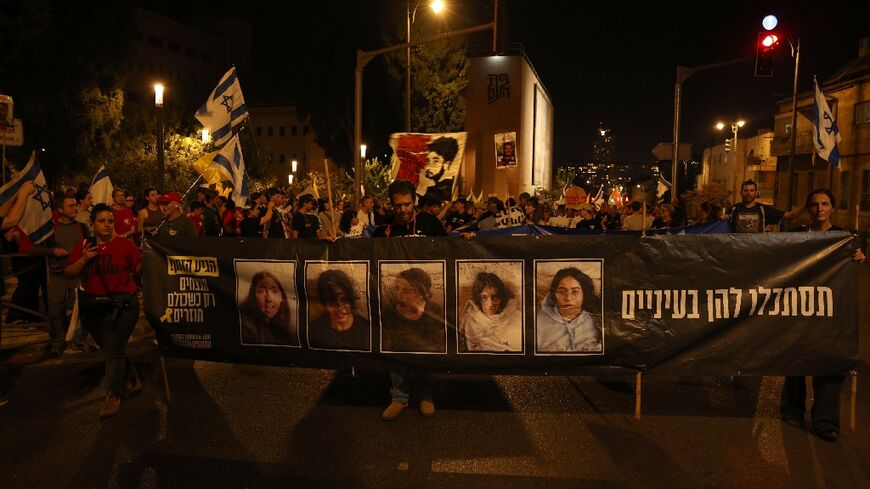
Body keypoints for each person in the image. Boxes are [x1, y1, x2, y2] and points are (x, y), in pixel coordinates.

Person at [780, 188, 865, 442]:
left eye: (825, 204)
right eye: (815, 204)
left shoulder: (844, 238)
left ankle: (825, 422)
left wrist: (858, 257)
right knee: (796, 357)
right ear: (809, 208)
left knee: (829, 361)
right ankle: (792, 409)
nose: (820, 209)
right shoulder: (797, 237)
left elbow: (850, 267)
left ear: (832, 207)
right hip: (800, 308)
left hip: (831, 311)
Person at [374, 179, 447, 420]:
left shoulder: (430, 223)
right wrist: (336, 245)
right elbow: (361, 253)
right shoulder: (384, 230)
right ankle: (399, 398)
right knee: (397, 348)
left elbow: (451, 249)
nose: (403, 210)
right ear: (391, 206)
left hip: (424, 305)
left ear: (415, 202)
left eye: (407, 204)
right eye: (398, 206)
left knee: (425, 348)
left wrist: (466, 239)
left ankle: (426, 396)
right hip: (400, 303)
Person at [64, 203, 142, 419]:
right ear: (92, 223)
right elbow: (69, 272)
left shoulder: (125, 246)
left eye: (110, 221)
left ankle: (113, 394)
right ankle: (133, 379)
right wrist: (84, 259)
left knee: (114, 348)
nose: (107, 225)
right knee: (109, 347)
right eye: (102, 221)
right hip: (93, 306)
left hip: (123, 304)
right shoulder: (83, 247)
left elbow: (138, 270)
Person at [45, 193, 90, 358]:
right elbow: (33, 248)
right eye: (71, 206)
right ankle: (57, 342)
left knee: (82, 310)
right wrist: (52, 251)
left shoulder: (82, 227)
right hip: (58, 276)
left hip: (77, 275)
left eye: (75, 205)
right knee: (55, 311)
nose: (75, 208)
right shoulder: (50, 229)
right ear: (60, 209)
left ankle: (79, 340)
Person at [536, 267, 603, 353]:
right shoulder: (539, 320)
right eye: (562, 292)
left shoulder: (596, 320)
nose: (568, 298)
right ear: (554, 294)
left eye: (575, 292)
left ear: (584, 294)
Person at [459, 272, 522, 352]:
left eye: (495, 297)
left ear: (501, 298)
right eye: (484, 297)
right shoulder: (472, 318)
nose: (490, 304)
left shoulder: (513, 315)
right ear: (478, 298)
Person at [308, 269, 370, 350]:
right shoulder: (314, 330)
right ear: (324, 303)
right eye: (332, 303)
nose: (340, 309)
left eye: (344, 300)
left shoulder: (367, 330)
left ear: (350, 299)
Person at [239, 270, 299, 345]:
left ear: (282, 297)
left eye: (274, 291)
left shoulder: (290, 333)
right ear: (253, 296)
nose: (269, 299)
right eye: (262, 291)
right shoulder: (242, 327)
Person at [729, 179, 803, 233]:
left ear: (756, 193)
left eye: (751, 190)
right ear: (741, 192)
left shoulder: (763, 209)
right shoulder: (734, 209)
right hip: (738, 250)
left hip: (757, 250)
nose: (748, 193)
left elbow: (790, 215)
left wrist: (807, 203)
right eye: (745, 190)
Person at [420, 136, 459, 201]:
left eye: (435, 162)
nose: (428, 167)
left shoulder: (448, 188)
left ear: (447, 164)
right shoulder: (429, 186)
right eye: (428, 161)